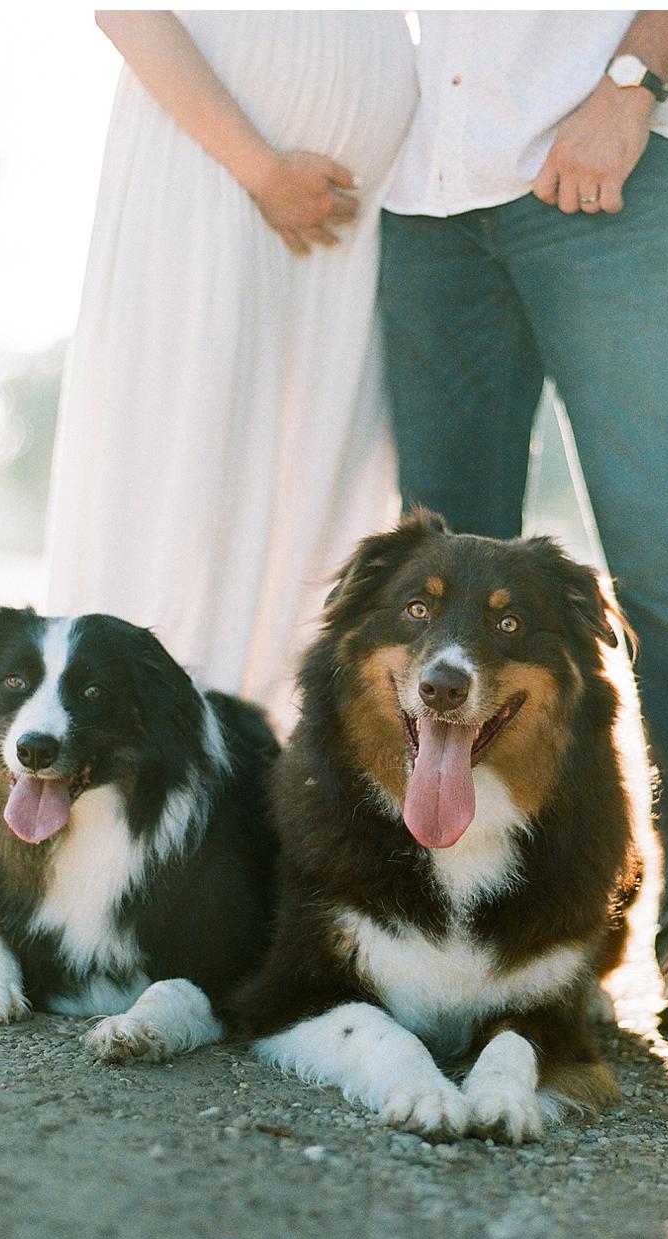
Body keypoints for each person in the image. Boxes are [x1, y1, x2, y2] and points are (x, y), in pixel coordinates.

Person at [377, 12, 668, 1032]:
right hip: (431, 201)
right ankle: (472, 931)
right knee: (441, 614)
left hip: (611, 172)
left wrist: (629, 88)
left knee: (664, 570)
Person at [42, 13, 416, 721]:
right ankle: (114, 747)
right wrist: (262, 169)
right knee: (175, 464)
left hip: (354, 223)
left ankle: (257, 767)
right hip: (207, 167)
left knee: (316, 485)